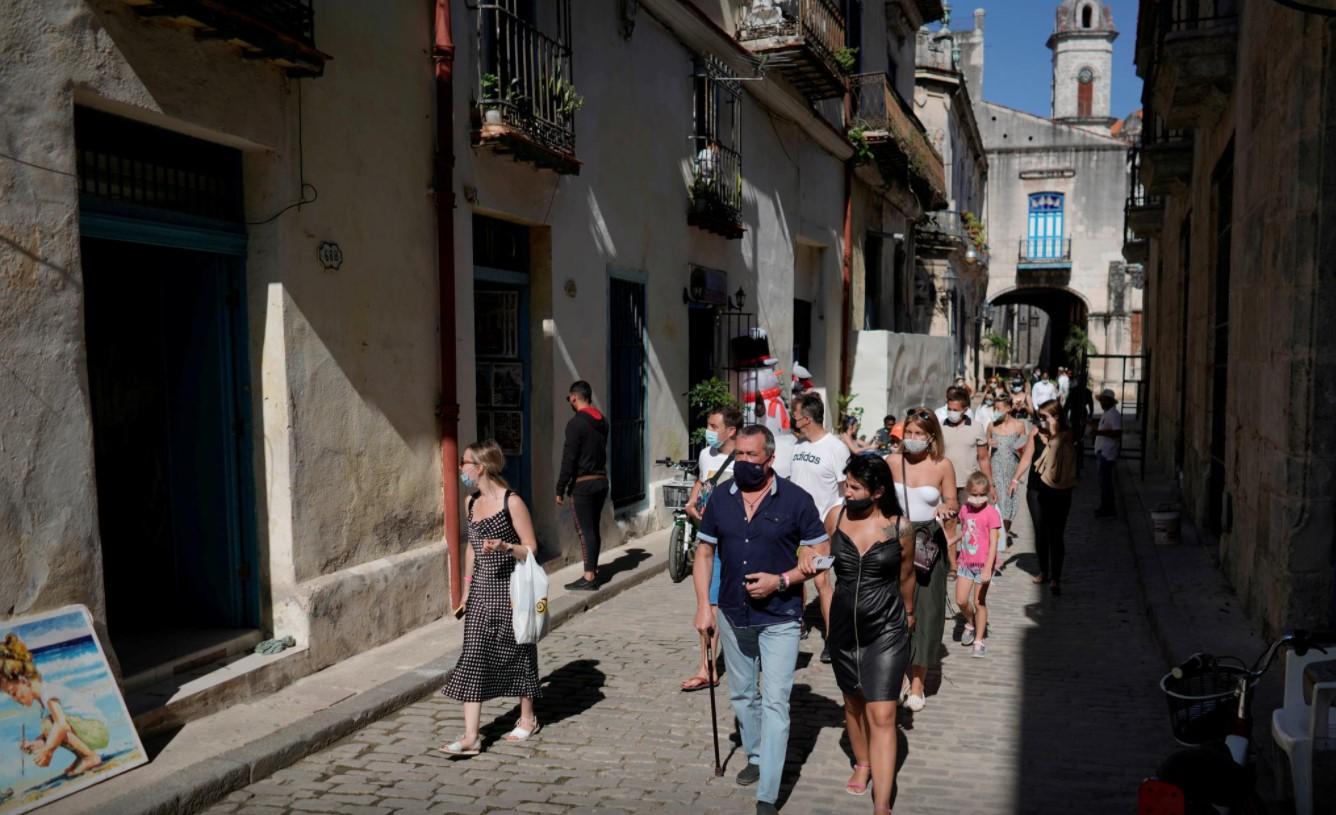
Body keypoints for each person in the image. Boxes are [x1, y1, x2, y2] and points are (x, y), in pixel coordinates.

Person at [693, 425, 829, 815]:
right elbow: (704, 553)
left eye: (752, 456)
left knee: (775, 702)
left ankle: (768, 792)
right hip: (734, 614)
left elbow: (821, 551)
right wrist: (705, 604)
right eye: (739, 455)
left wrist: (782, 580)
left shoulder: (796, 500)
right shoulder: (721, 497)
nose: (744, 463)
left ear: (770, 459)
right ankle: (754, 755)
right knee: (741, 694)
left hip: (781, 616)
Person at [801, 454, 915, 811]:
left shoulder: (900, 528)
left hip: (886, 629)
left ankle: (882, 805)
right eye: (845, 484)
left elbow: (907, 577)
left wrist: (908, 616)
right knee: (852, 703)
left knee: (882, 715)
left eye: (855, 487)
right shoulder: (836, 517)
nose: (846, 492)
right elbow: (815, 550)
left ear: (878, 491)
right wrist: (808, 557)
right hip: (843, 630)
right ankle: (862, 762)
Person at [442, 440, 542, 755]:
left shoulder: (511, 502)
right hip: (482, 589)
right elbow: (471, 545)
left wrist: (505, 547)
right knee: (473, 654)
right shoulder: (471, 502)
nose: (461, 469)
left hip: (511, 589)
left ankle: (527, 718)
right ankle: (472, 736)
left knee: (520, 651)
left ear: (480, 467)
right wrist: (467, 588)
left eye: (464, 463)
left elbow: (531, 548)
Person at [884, 408, 957, 712]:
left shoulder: (942, 465)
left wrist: (946, 508)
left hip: (927, 540)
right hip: (894, 537)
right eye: (909, 433)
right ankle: (898, 673)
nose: (912, 439)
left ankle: (918, 683)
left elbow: (953, 501)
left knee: (926, 610)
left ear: (930, 437)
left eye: (919, 434)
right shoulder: (890, 462)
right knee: (896, 610)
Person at [680, 404, 743, 692]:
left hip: (739, 541)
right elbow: (703, 481)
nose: (709, 431)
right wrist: (693, 503)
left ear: (731, 430)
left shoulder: (744, 456)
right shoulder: (707, 454)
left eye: (714, 426)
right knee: (709, 602)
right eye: (708, 425)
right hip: (711, 539)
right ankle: (707, 667)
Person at [789, 392, 851, 664]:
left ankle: (832, 638)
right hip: (793, 523)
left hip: (822, 524)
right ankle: (796, 624)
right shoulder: (798, 444)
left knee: (822, 580)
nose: (792, 418)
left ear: (806, 419)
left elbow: (845, 491)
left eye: (795, 414)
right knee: (794, 577)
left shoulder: (835, 448)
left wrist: (833, 522)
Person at [0, 633, 106, 776]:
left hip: (98, 730)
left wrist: (48, 751)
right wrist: (36, 744)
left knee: (50, 725)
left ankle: (90, 756)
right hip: (90, 729)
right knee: (49, 727)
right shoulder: (43, 700)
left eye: (13, 693)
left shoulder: (48, 693)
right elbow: (55, 732)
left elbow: (61, 725)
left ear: (23, 680)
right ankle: (82, 756)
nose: (14, 699)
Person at [1014, 400, 1078, 596]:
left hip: (1059, 491)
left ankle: (1056, 578)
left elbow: (1064, 451)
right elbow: (1027, 456)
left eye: (1044, 417)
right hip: (1036, 489)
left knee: (1056, 534)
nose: (1039, 421)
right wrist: (1015, 479)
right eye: (1039, 417)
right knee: (1040, 531)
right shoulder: (1035, 432)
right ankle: (1044, 570)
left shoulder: (1067, 436)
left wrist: (1051, 433)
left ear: (1056, 417)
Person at [556, 380, 608, 591]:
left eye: (570, 399)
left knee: (585, 531)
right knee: (593, 529)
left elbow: (569, 458)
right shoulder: (603, 421)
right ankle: (593, 570)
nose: (570, 402)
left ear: (574, 398)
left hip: (583, 485)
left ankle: (588, 577)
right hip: (601, 482)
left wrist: (560, 488)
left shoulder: (575, 424)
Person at [939, 386, 991, 577]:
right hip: (947, 485)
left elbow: (984, 458)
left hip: (970, 486)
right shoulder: (940, 427)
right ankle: (953, 566)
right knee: (950, 525)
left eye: (955, 409)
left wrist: (989, 485)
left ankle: (972, 561)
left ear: (965, 409)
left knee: (972, 525)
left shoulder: (977, 427)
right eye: (949, 408)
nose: (951, 412)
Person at [954, 472, 1002, 657]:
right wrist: (951, 540)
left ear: (988, 493)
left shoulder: (991, 513)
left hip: (983, 565)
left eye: (982, 494)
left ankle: (979, 640)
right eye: (974, 494)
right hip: (966, 562)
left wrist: (988, 568)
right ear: (967, 492)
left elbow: (993, 542)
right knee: (961, 600)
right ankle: (970, 622)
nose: (978, 498)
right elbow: (965, 531)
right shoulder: (965, 509)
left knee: (978, 602)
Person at [986, 392, 1027, 546]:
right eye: (995, 408)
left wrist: (1019, 474)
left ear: (1008, 408)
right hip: (996, 468)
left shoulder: (1019, 426)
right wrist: (988, 442)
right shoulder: (991, 426)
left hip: (1012, 468)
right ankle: (998, 537)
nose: (996, 411)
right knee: (999, 502)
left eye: (999, 408)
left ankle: (1005, 532)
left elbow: (1024, 451)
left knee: (1010, 504)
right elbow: (985, 452)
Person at [1092, 389, 1123, 517]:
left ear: (1110, 401)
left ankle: (1108, 508)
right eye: (1101, 400)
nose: (1102, 403)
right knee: (1103, 482)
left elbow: (1117, 433)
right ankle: (1106, 506)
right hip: (1102, 452)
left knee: (1106, 483)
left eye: (1104, 400)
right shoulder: (1107, 414)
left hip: (1107, 453)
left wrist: (1099, 433)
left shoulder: (1114, 414)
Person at [1065, 372, 1095, 475]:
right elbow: (1067, 405)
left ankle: (1078, 460)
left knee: (1078, 439)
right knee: (1076, 438)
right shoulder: (1077, 391)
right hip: (1077, 415)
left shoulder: (1085, 392)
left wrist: (1090, 415)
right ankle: (1076, 459)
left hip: (1080, 415)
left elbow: (1091, 405)